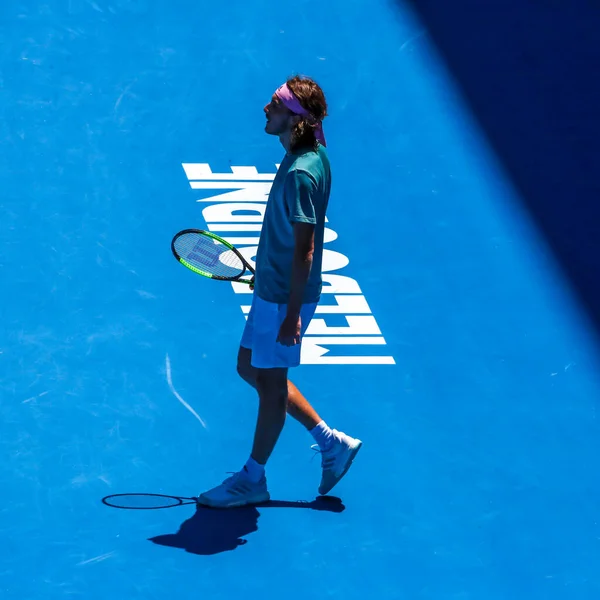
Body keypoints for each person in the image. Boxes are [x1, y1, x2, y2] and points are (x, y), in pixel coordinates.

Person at [197, 75, 362, 508]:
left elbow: (305, 250)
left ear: (296, 119)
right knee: (249, 367)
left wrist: (290, 314)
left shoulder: (302, 174)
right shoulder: (310, 155)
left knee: (271, 382)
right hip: (274, 287)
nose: (265, 109)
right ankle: (332, 443)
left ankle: (252, 479)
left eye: (274, 104)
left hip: (284, 299)